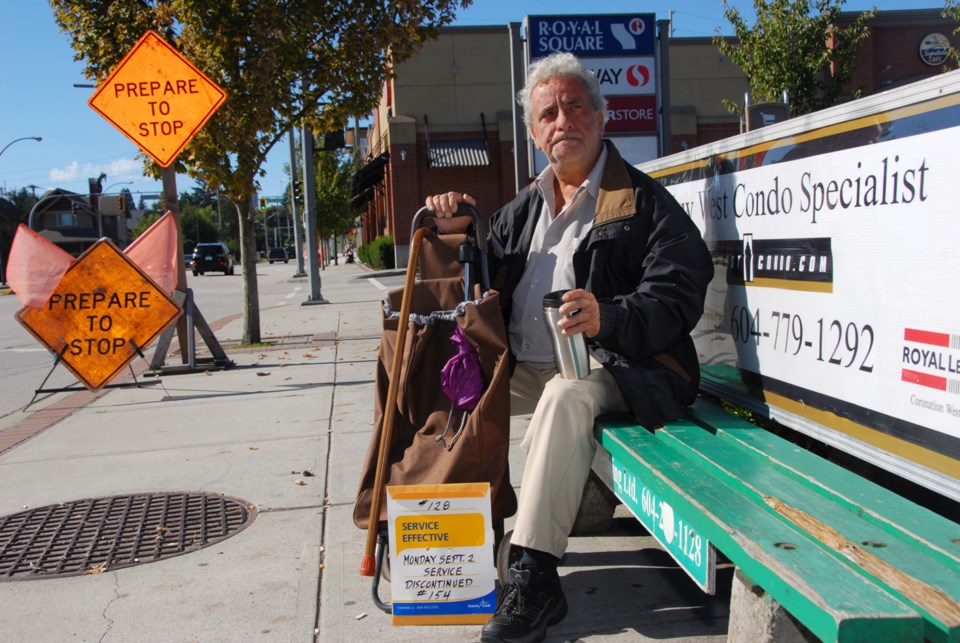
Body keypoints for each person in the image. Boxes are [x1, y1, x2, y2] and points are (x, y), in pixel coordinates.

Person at [426, 52, 713, 643]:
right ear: (534, 134)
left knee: (564, 398)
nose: (564, 121)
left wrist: (609, 316)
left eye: (575, 106)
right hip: (527, 365)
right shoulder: (521, 210)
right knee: (449, 405)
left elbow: (681, 292)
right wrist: (458, 223)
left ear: (602, 118)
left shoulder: (642, 202)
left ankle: (535, 575)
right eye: (548, 113)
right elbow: (481, 282)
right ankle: (448, 553)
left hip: (625, 366)